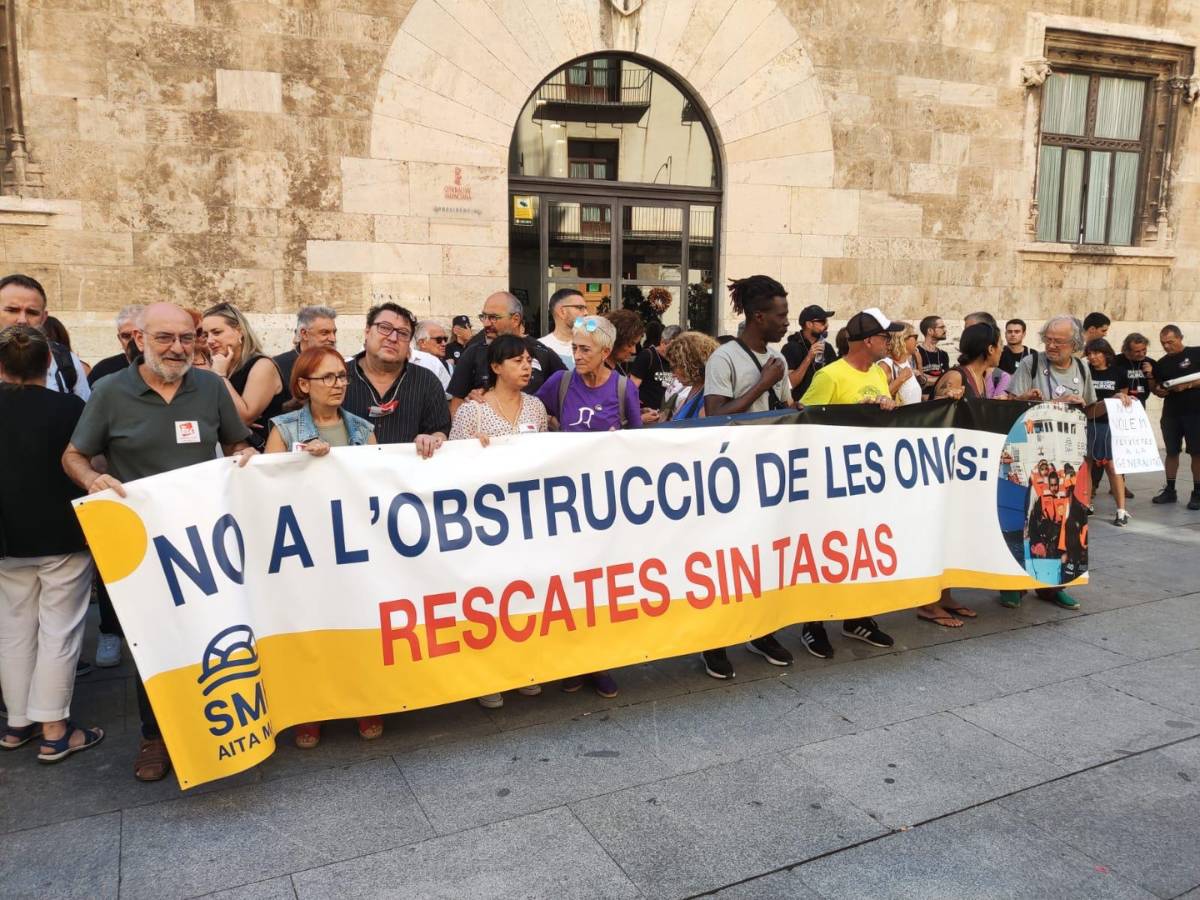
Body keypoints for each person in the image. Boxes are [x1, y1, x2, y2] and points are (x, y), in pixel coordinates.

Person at [62, 302, 256, 781]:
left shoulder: (209, 387)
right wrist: (90, 481)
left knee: (214, 631)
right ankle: (156, 736)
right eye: (165, 338)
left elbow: (235, 443)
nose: (177, 348)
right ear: (139, 341)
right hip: (142, 545)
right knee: (155, 643)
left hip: (206, 538)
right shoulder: (109, 392)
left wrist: (245, 454)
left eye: (186, 338)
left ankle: (220, 724)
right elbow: (74, 455)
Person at [263, 347, 381, 746]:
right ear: (303, 385)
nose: (338, 385)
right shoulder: (283, 429)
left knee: (359, 627)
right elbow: (266, 488)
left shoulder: (363, 430)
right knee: (311, 632)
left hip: (354, 548)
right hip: (304, 551)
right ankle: (310, 711)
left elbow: (377, 485)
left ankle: (366, 701)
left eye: (342, 377)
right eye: (327, 378)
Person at [0, 325, 104, 762]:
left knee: (14, 628)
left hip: (7, 537)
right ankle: (55, 729)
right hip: (61, 533)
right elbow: (91, 461)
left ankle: (18, 721)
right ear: (48, 363)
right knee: (59, 631)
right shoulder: (70, 407)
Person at [694, 276, 794, 679]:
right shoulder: (725, 358)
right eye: (781, 314)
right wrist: (762, 384)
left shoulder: (777, 359)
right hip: (729, 476)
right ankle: (713, 641)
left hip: (768, 473)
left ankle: (759, 630)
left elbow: (784, 405)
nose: (787, 321)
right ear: (758, 316)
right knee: (725, 560)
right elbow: (716, 414)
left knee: (764, 558)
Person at [536, 316, 638, 697]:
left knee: (602, 589)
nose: (576, 356)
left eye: (585, 350)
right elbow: (529, 412)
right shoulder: (559, 383)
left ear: (606, 353)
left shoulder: (623, 388)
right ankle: (572, 663)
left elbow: (638, 445)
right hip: (564, 504)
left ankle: (600, 664)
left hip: (606, 507)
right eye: (574, 348)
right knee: (569, 587)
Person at [449, 334, 549, 709]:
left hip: (527, 518)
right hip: (485, 522)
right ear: (495, 367)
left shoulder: (536, 408)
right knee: (488, 599)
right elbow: (454, 467)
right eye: (516, 361)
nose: (526, 367)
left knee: (523, 594)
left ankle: (521, 669)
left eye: (528, 360)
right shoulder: (473, 410)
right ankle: (487, 677)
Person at [797, 309, 900, 654]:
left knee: (862, 552)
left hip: (868, 482)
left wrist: (886, 404)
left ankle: (857, 617)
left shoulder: (880, 374)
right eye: (885, 337)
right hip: (831, 483)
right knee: (827, 552)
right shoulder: (830, 375)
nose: (890, 342)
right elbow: (804, 420)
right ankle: (813, 623)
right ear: (869, 340)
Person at [1002, 314, 1100, 611]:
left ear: (1075, 344)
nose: (1052, 345)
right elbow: (1007, 405)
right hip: (1030, 456)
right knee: (1023, 520)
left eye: (1059, 341)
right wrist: (1025, 398)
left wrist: (1088, 405)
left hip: (1067, 459)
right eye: (1048, 339)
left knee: (1064, 523)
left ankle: (1055, 585)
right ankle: (1013, 585)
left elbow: (1091, 409)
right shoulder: (1031, 364)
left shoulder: (1082, 368)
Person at [342, 302, 450, 452]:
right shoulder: (338, 377)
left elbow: (440, 431)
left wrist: (434, 439)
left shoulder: (426, 381)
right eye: (385, 328)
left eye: (403, 333)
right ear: (367, 331)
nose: (393, 338)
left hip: (409, 472)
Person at [448, 292, 563, 415]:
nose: (486, 323)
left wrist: (551, 419)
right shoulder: (473, 352)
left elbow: (566, 390)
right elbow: (456, 403)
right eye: (484, 316)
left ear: (515, 319)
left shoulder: (542, 352)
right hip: (487, 433)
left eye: (493, 318)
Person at [202, 302, 286, 450]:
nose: (209, 340)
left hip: (263, 457)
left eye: (217, 332)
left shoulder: (262, 365)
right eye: (205, 335)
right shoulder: (218, 366)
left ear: (239, 331)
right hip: (229, 459)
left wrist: (220, 376)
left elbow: (244, 417)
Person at [0, 274, 90, 401]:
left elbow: (83, 413)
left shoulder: (66, 361)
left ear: (44, 317)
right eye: (12, 310)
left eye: (32, 312)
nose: (22, 320)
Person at [1150, 325, 1200, 510]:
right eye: (1163, 343)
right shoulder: (1161, 363)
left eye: (1170, 342)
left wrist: (1188, 385)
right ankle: (1170, 490)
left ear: (1180, 338)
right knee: (1172, 452)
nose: (1167, 346)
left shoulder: (1196, 353)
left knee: (1196, 453)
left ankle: (1197, 493)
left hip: (1195, 413)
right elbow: (1158, 390)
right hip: (1171, 414)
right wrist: (1159, 390)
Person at [1084, 338, 1133, 525]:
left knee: (1113, 467)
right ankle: (1087, 504)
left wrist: (1122, 397)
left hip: (1110, 426)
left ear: (1106, 354)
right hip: (1088, 422)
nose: (1092, 357)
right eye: (1089, 354)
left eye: (1096, 353)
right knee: (1086, 465)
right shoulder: (1085, 372)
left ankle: (1121, 509)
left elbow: (1125, 399)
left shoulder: (1119, 373)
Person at [782, 304, 838, 402]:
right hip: (801, 409)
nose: (827, 325)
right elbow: (789, 384)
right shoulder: (790, 348)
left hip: (824, 407)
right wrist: (808, 358)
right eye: (823, 321)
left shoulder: (827, 347)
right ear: (809, 324)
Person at [273, 305, 338, 388]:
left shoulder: (338, 365)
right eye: (324, 333)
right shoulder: (278, 367)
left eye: (334, 332)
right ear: (304, 334)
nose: (333, 339)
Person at [665, 331, 718, 420]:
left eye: (675, 367)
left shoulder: (708, 397)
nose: (673, 373)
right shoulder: (695, 389)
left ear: (690, 364)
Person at [629, 322, 680, 415]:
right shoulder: (647, 356)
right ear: (663, 342)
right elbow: (631, 388)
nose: (675, 353)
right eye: (672, 348)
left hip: (666, 414)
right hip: (647, 414)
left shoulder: (675, 360)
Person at [88, 305, 144, 386]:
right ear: (120, 339)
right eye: (126, 336)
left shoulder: (160, 368)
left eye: (139, 335)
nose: (134, 341)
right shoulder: (103, 370)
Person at [540, 288, 588, 369]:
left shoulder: (591, 345)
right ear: (562, 312)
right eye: (580, 308)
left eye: (586, 308)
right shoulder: (541, 347)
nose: (586, 313)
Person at [878, 322, 921, 405]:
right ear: (902, 338)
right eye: (915, 337)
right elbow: (879, 399)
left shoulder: (906, 363)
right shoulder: (885, 365)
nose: (917, 341)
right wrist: (901, 379)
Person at [410, 321, 451, 394]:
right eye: (439, 340)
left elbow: (449, 397)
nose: (444, 344)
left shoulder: (448, 367)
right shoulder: (406, 361)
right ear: (422, 343)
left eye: (445, 339)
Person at [915, 315, 949, 400]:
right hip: (920, 403)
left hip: (938, 400)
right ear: (930, 331)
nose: (945, 330)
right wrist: (939, 380)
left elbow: (947, 381)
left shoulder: (943, 354)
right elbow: (917, 380)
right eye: (941, 327)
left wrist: (926, 379)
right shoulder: (916, 352)